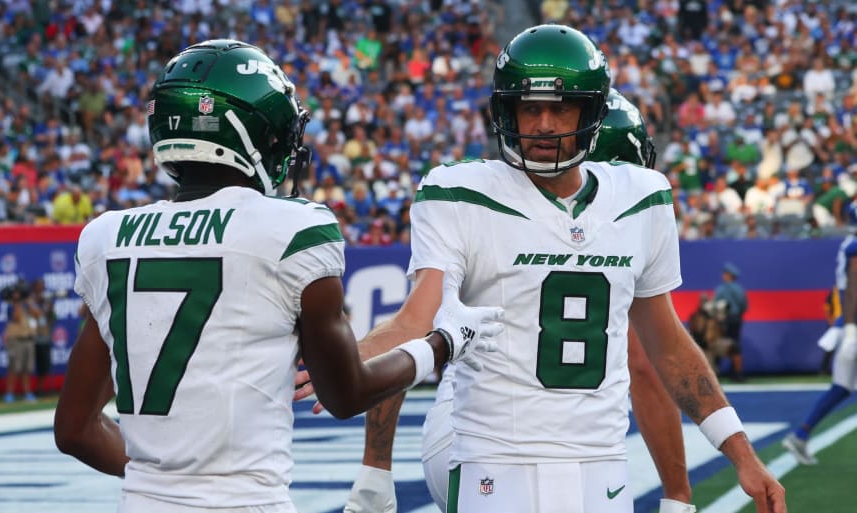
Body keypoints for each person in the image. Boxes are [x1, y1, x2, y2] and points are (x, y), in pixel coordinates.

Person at [313, 25, 785, 513]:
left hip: (600, 462)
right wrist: (343, 363)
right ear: (505, 111)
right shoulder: (461, 193)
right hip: (492, 457)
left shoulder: (641, 199)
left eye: (561, 107)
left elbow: (664, 344)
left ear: (592, 112)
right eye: (530, 107)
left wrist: (741, 452)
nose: (543, 125)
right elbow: (417, 320)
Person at [52, 40, 504, 513]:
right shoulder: (293, 229)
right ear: (248, 136)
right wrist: (443, 343)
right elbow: (346, 394)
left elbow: (75, 429)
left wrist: (167, 481)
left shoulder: (107, 238)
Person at [342, 89, 697, 513]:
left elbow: (408, 335)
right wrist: (678, 494)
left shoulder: (482, 198)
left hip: (471, 435)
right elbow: (646, 367)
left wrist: (376, 468)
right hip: (497, 444)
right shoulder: (490, 201)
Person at [783, 234, 857, 465]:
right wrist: (851, 327)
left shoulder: (849, 245)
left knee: (841, 388)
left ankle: (801, 435)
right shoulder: (853, 249)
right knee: (841, 387)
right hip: (852, 325)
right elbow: (853, 287)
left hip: (847, 324)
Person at [1, 279, 39, 403]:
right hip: (15, 340)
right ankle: (9, 394)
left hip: (28, 339)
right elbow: (16, 318)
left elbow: (37, 314)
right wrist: (17, 301)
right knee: (14, 368)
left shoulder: (29, 302)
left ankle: (27, 393)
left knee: (27, 369)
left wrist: (27, 301)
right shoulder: (11, 304)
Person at [713, 262, 749, 382]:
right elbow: (744, 306)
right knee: (735, 345)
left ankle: (714, 372)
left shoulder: (721, 289)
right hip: (736, 319)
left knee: (718, 344)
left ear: (728, 275)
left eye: (725, 274)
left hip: (723, 321)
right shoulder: (739, 289)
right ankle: (737, 373)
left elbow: (716, 306)